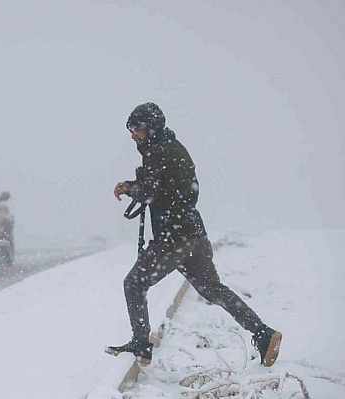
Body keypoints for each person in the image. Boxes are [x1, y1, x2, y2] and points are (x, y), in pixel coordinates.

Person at [108, 102, 282, 367]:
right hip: (193, 236)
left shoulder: (160, 152)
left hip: (172, 239)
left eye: (136, 129)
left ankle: (141, 344)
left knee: (134, 284)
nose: (132, 135)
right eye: (130, 129)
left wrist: (131, 188)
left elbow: (156, 192)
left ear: (151, 128)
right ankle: (263, 333)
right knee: (213, 289)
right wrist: (139, 187)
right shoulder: (173, 150)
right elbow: (178, 190)